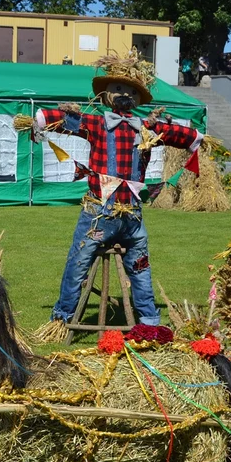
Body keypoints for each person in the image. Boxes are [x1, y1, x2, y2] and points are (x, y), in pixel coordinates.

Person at [27, 50, 203, 341]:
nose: (124, 95)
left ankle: (138, 322)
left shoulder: (147, 128)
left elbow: (178, 134)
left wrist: (196, 140)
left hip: (124, 218)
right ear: (107, 95)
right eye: (118, 89)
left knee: (124, 266)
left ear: (137, 98)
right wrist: (41, 120)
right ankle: (76, 319)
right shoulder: (98, 124)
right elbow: (66, 119)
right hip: (108, 215)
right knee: (96, 265)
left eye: (130, 91)